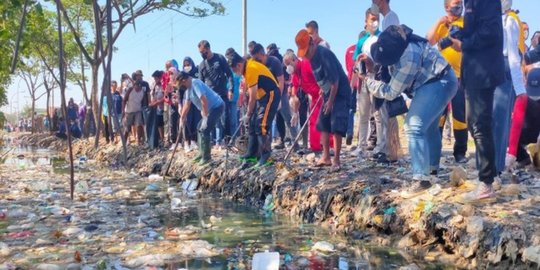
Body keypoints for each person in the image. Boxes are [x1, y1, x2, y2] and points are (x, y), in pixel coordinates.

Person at [364, 25, 458, 197]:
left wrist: (369, 81)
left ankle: (421, 180)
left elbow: (391, 92)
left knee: (413, 126)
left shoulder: (408, 57)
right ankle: (431, 171)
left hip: (438, 82)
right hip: (440, 80)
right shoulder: (400, 44)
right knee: (428, 128)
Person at [453, 0, 506, 201]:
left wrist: (465, 44)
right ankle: (490, 176)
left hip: (483, 71)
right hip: (473, 71)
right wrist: (460, 34)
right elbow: (480, 28)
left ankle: (486, 183)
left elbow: (491, 32)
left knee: (480, 125)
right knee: (474, 123)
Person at [295, 29, 351, 172]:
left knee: (336, 125)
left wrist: (330, 102)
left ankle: (336, 160)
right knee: (323, 124)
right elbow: (322, 78)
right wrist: (322, 89)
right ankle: (326, 157)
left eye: (307, 51)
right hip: (328, 92)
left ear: (312, 43)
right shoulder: (312, 59)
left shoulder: (324, 54)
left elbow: (335, 82)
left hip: (339, 93)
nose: (306, 56)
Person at [426, 0, 469, 164]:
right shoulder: (441, 24)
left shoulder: (465, 22)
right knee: (439, 114)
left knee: (460, 116)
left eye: (460, 3)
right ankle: (435, 150)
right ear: (446, 6)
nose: (459, 6)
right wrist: (439, 22)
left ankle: (460, 152)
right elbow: (428, 40)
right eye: (455, 3)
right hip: (440, 76)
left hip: (459, 76)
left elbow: (469, 43)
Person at [227, 48, 281, 167]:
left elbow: (252, 97)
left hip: (271, 94)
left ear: (239, 65)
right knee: (252, 123)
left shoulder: (250, 68)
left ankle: (266, 156)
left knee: (262, 124)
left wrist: (248, 113)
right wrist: (249, 116)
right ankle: (252, 152)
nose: (235, 72)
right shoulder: (247, 68)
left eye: (235, 69)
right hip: (262, 96)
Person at [250, 42, 299, 150]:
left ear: (262, 54)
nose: (257, 61)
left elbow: (281, 81)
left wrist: (278, 99)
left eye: (258, 58)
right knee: (267, 120)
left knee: (288, 118)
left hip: (281, 94)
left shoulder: (274, 62)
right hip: (266, 96)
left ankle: (295, 144)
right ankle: (267, 146)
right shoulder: (257, 64)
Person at [496, 0, 526, 173]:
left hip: (505, 67)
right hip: (494, 68)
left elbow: (514, 54)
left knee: (501, 118)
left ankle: (499, 165)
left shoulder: (510, 19)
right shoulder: (497, 18)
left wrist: (520, 87)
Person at [351, 9, 381, 158]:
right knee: (363, 115)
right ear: (366, 21)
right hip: (364, 81)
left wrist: (371, 64)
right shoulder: (362, 41)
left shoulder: (382, 38)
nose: (375, 22)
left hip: (378, 79)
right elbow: (355, 62)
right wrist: (358, 75)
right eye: (372, 19)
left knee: (378, 115)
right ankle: (361, 146)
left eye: (377, 19)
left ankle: (381, 146)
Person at [177, 71, 225, 164]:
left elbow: (203, 100)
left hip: (217, 107)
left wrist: (205, 117)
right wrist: (182, 118)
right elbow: (187, 105)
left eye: (181, 83)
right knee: (199, 127)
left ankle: (206, 157)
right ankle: (201, 153)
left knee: (204, 129)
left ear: (184, 80)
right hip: (209, 109)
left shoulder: (195, 83)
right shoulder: (188, 89)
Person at [198, 40, 234, 145]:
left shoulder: (220, 58)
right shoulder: (202, 65)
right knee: (211, 121)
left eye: (203, 52)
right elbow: (200, 83)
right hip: (210, 97)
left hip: (222, 94)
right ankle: (213, 142)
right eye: (200, 52)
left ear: (208, 49)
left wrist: (231, 89)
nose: (202, 54)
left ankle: (228, 142)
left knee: (225, 119)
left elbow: (229, 74)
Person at [506, 68, 540, 169]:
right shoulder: (522, 97)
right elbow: (516, 125)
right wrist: (512, 153)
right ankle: (523, 158)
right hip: (528, 129)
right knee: (508, 133)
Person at [182, 57, 202, 151]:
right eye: (185, 65)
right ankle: (186, 142)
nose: (187, 67)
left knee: (196, 120)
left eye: (188, 64)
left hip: (196, 99)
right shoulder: (182, 75)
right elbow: (180, 88)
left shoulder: (196, 72)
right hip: (187, 100)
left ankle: (194, 141)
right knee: (187, 120)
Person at [123, 80, 146, 144]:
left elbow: (143, 102)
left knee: (139, 124)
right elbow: (124, 100)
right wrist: (123, 111)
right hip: (129, 111)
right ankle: (124, 141)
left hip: (138, 110)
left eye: (139, 86)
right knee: (127, 127)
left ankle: (138, 140)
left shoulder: (142, 92)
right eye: (136, 86)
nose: (137, 88)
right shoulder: (130, 90)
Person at [150, 70, 166, 147]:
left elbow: (165, 97)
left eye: (156, 78)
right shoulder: (155, 86)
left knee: (165, 123)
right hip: (158, 108)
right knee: (159, 124)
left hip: (165, 108)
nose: (155, 80)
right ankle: (162, 138)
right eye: (154, 79)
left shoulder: (164, 85)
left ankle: (167, 139)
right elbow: (154, 96)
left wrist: (157, 102)